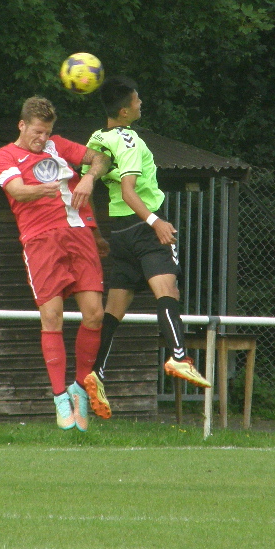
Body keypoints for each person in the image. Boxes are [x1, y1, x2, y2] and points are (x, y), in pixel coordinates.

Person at [84, 76, 211, 421]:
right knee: (167, 289)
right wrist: (155, 221)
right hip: (143, 227)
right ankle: (179, 356)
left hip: (121, 231)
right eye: (138, 101)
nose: (142, 104)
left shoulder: (97, 139)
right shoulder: (128, 140)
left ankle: (96, 371)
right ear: (124, 110)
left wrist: (97, 234)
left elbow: (85, 187)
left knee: (115, 308)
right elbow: (128, 191)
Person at [0, 96, 112, 431]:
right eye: (37, 132)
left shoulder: (58, 146)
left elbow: (101, 158)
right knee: (52, 316)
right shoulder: (5, 155)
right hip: (40, 240)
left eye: (47, 133)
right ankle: (59, 396)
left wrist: (88, 178)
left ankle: (78, 389)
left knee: (95, 314)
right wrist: (58, 187)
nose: (42, 139)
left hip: (78, 234)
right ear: (22, 125)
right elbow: (17, 191)